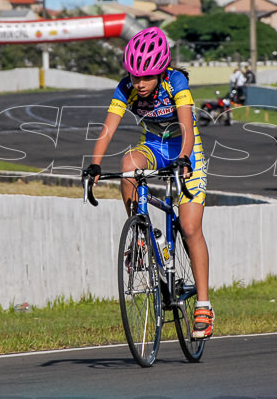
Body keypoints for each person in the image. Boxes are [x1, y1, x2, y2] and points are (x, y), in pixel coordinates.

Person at [84, 27, 214, 339]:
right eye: (135, 76)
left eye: (146, 77)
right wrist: (94, 164)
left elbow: (185, 123)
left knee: (190, 227)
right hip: (155, 146)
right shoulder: (126, 87)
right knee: (128, 163)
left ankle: (204, 306)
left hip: (186, 149)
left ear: (161, 72)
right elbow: (108, 129)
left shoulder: (175, 82)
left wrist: (184, 159)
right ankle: (140, 232)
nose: (139, 84)